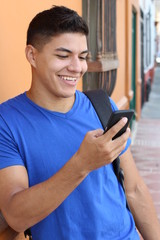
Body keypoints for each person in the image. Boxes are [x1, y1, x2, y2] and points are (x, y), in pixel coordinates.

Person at [0, 5, 159, 240]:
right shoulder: (7, 121)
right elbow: (15, 216)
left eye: (83, 57)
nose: (77, 67)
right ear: (32, 55)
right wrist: (82, 163)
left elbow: (134, 190)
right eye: (63, 56)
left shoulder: (102, 106)